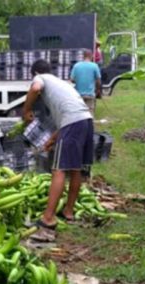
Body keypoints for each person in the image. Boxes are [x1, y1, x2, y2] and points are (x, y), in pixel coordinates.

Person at [22, 59, 94, 230]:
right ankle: (68, 211)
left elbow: (35, 89)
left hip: (73, 123)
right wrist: (52, 140)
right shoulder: (63, 84)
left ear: (36, 73)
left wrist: (26, 110)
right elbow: (69, 120)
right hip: (86, 121)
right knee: (75, 169)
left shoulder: (41, 78)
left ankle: (48, 218)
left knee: (59, 169)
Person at [70, 49, 101, 116]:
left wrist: (78, 80)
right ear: (91, 56)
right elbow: (98, 80)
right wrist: (98, 91)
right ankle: (89, 126)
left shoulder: (76, 66)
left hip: (78, 95)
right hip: (90, 94)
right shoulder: (94, 66)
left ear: (83, 56)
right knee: (89, 113)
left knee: (79, 113)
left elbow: (72, 79)